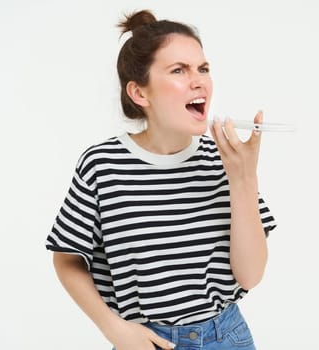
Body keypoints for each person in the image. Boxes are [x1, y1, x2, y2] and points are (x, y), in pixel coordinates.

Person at [45, 9, 277, 350]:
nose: (198, 80)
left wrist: (244, 180)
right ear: (140, 93)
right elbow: (66, 258)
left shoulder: (222, 161)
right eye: (179, 70)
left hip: (227, 337)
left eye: (203, 68)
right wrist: (115, 330)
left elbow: (251, 276)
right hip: (146, 341)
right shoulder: (102, 165)